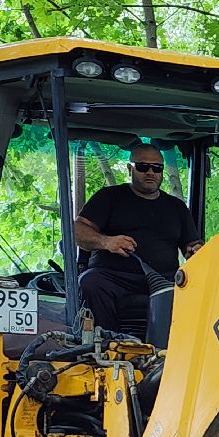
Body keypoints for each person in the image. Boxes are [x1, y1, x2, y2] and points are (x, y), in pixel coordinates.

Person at [74, 142, 203, 334]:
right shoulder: (109, 197)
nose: (151, 172)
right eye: (143, 167)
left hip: (164, 279)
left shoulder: (176, 207)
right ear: (130, 169)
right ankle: (109, 346)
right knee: (90, 282)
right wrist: (107, 242)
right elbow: (78, 230)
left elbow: (192, 245)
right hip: (113, 277)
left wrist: (196, 252)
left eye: (157, 168)